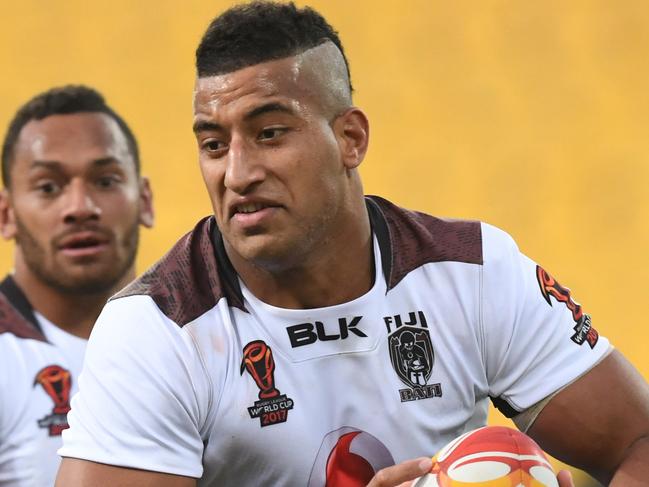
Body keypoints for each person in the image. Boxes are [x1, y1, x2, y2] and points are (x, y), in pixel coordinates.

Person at [56, 3, 649, 486]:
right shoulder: (157, 328)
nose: (236, 173)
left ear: (351, 139)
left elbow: (636, 443)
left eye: (269, 134)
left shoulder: (475, 272)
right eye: (213, 145)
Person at [0, 85, 154, 486]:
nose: (81, 207)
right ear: (6, 215)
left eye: (105, 181)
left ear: (145, 200)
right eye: (49, 187)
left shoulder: (202, 343)